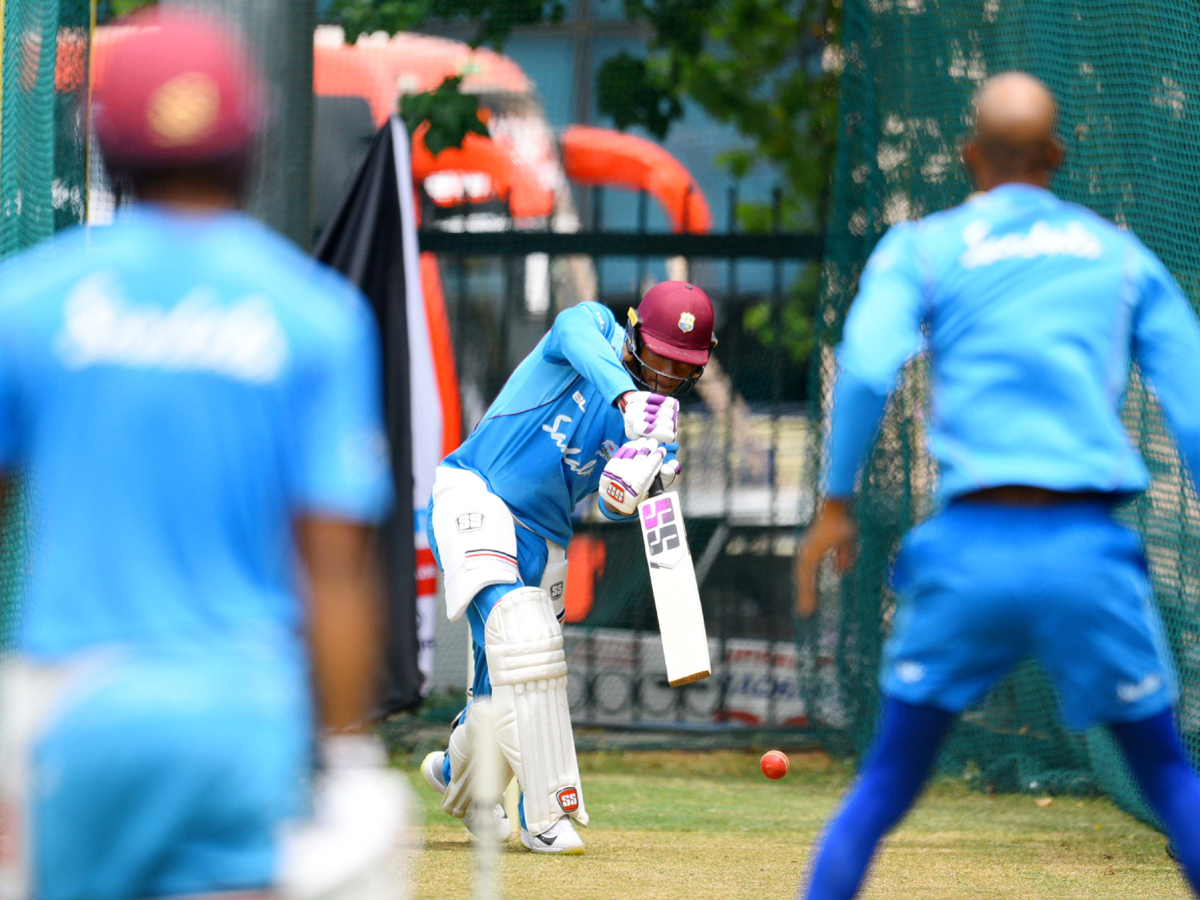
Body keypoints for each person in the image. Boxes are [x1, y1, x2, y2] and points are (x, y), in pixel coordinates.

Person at [0, 10, 406, 900]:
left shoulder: (29, 303)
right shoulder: (314, 316)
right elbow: (334, 566)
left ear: (106, 145)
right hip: (239, 709)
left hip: (72, 706)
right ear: (248, 146)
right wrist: (348, 758)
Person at [795, 72, 1200, 899]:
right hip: (1087, 557)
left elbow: (869, 367)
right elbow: (1192, 404)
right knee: (1167, 778)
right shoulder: (1120, 256)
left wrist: (836, 503)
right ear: (1056, 154)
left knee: (882, 790)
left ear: (969, 156)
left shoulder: (923, 247)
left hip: (970, 553)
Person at [420, 281, 715, 854]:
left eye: (682, 368)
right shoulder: (593, 328)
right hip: (476, 494)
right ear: (633, 337)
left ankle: (459, 775)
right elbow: (571, 333)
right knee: (523, 637)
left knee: (509, 684)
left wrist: (634, 478)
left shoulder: (663, 436)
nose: (666, 377)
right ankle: (546, 815)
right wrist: (628, 401)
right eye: (658, 358)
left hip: (546, 541)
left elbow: (611, 503)